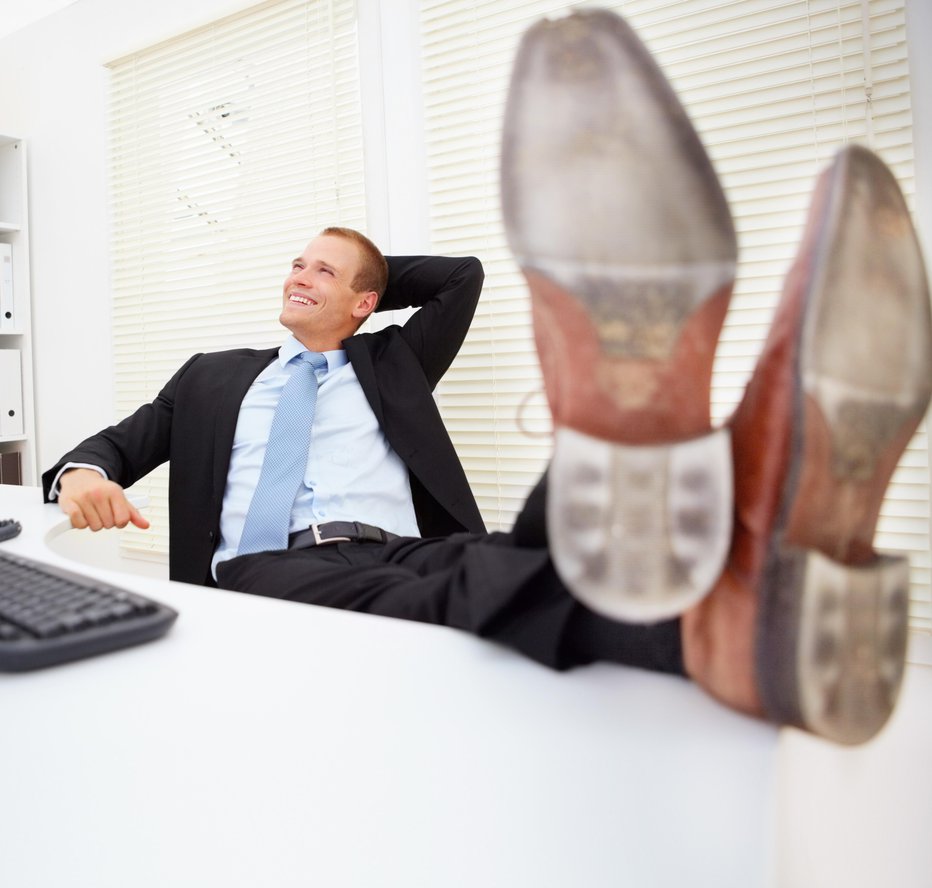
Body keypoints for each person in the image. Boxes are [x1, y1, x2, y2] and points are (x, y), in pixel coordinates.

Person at [45, 8, 931, 746]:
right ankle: (687, 498)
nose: (297, 276)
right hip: (266, 571)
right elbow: (116, 447)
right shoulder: (212, 376)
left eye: (322, 270)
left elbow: (460, 274)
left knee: (526, 562)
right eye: (294, 262)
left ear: (366, 304)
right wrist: (83, 474)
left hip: (413, 546)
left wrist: (373, 270)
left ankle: (744, 617)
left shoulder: (389, 358)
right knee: (482, 583)